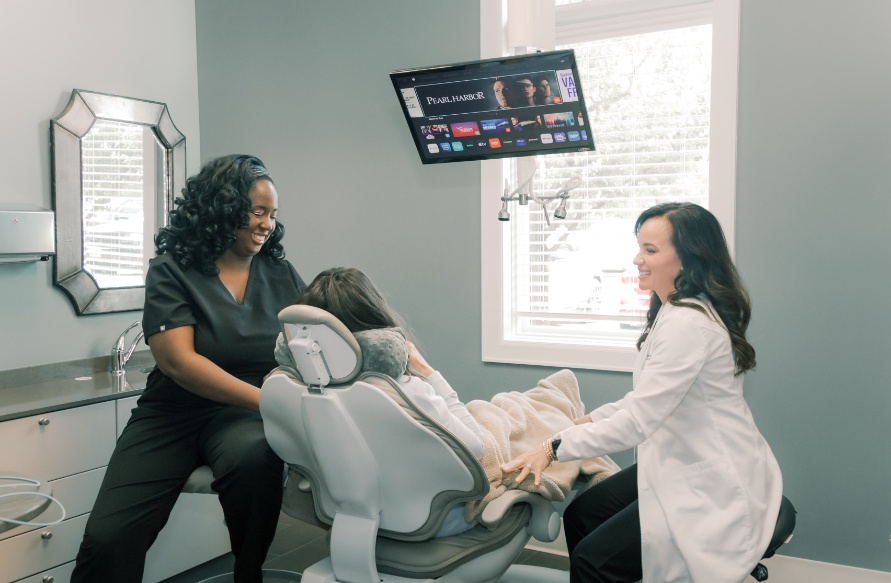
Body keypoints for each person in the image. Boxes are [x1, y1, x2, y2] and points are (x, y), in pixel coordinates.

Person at [502, 202, 783, 583]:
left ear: (689, 259)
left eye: (650, 250)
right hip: (679, 461)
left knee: (592, 561)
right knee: (582, 514)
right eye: (639, 247)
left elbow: (638, 422)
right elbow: (647, 399)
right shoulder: (673, 311)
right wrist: (584, 421)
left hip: (710, 481)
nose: (637, 259)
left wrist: (553, 447)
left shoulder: (687, 324)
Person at [71, 155, 307, 583]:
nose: (267, 224)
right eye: (258, 211)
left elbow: (313, 339)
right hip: (172, 415)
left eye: (273, 215)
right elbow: (179, 362)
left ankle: (248, 574)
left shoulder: (280, 273)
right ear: (223, 206)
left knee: (255, 458)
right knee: (108, 537)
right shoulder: (171, 271)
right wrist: (270, 402)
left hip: (243, 418)